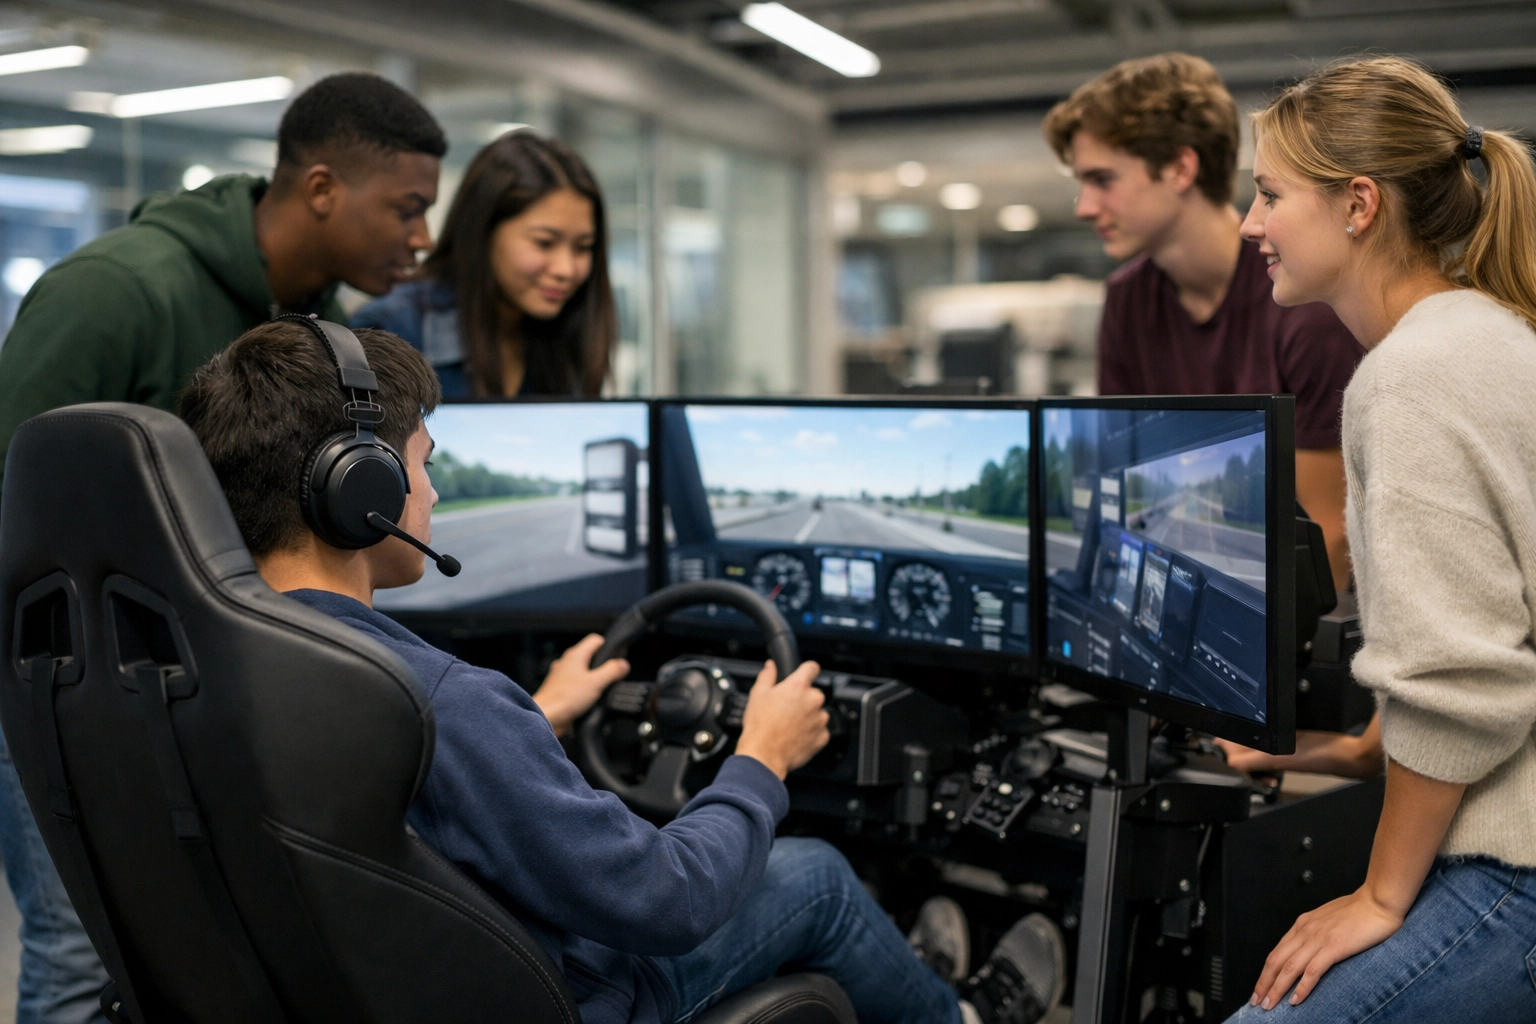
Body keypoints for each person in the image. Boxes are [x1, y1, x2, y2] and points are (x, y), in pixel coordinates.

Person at [176, 317, 1069, 1024]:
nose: (435, 494)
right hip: (573, 999)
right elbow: (666, 900)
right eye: (422, 464)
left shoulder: (210, 660)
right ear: (358, 488)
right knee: (820, 878)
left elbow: (403, 797)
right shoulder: (451, 704)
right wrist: (761, 758)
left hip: (367, 988)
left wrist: (537, 712)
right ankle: (953, 1012)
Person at [0, 73, 447, 1024]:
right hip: (80, 696)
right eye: (406, 208)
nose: (420, 238)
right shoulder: (115, 292)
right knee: (88, 963)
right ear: (322, 188)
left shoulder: (326, 339)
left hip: (210, 694)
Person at [1230, 56, 1536, 1020]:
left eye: (1270, 195)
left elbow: (1460, 690)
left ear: (1358, 204)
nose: (1250, 225)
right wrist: (1355, 751)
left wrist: (1381, 895)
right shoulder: (1486, 332)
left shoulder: (1409, 381)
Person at [1044, 53, 1365, 592]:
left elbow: (1327, 539)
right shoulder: (1127, 300)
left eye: (1102, 179)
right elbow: (1123, 493)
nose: (1084, 205)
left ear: (1179, 169)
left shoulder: (1302, 299)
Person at [351, 130, 613, 397]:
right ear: (483, 232)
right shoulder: (392, 330)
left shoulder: (567, 334)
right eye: (544, 243)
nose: (566, 269)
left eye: (583, 247)